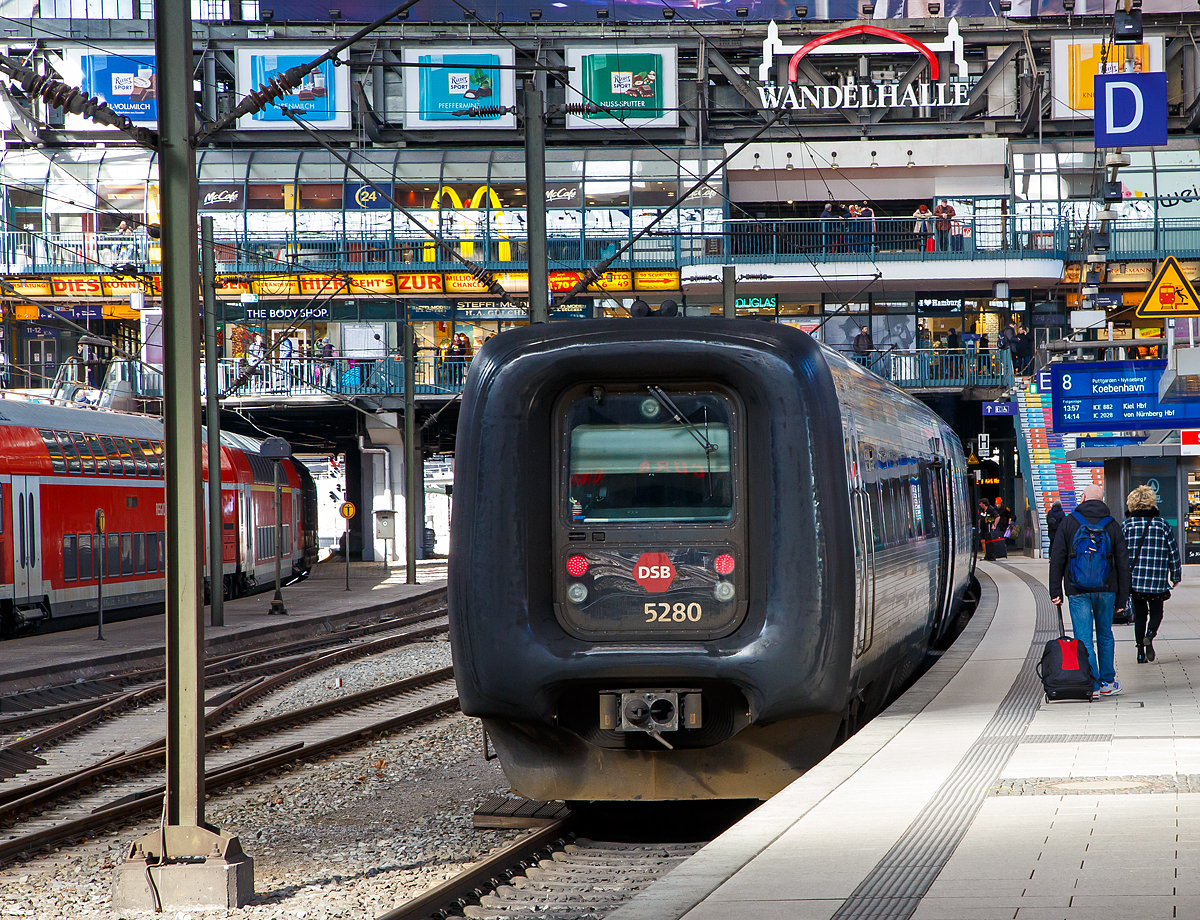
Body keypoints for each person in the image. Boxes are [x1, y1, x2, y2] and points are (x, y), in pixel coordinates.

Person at [1049, 483, 1131, 698]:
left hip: (1077, 590)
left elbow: (1057, 557)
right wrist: (1123, 598)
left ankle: (1091, 684)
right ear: (1102, 500)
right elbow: (1123, 563)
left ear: (1083, 497)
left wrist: (1055, 590)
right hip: (1107, 589)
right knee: (1105, 634)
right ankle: (1107, 682)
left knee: (1083, 637)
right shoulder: (1112, 525)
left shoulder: (1068, 523)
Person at [1121, 485, 1181, 664]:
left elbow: (1120, 553)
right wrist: (1175, 575)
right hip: (1157, 580)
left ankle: (1140, 651)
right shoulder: (1162, 525)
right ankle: (1150, 634)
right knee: (1157, 613)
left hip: (1136, 580)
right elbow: (1173, 552)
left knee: (1139, 615)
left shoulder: (1127, 525)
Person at [987, 495, 1011, 559]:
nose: (997, 505)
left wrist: (1009, 522)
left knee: (1004, 536)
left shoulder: (1005, 509)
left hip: (1004, 524)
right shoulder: (993, 509)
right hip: (997, 524)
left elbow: (1010, 515)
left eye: (998, 504)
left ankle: (1003, 546)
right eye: (996, 504)